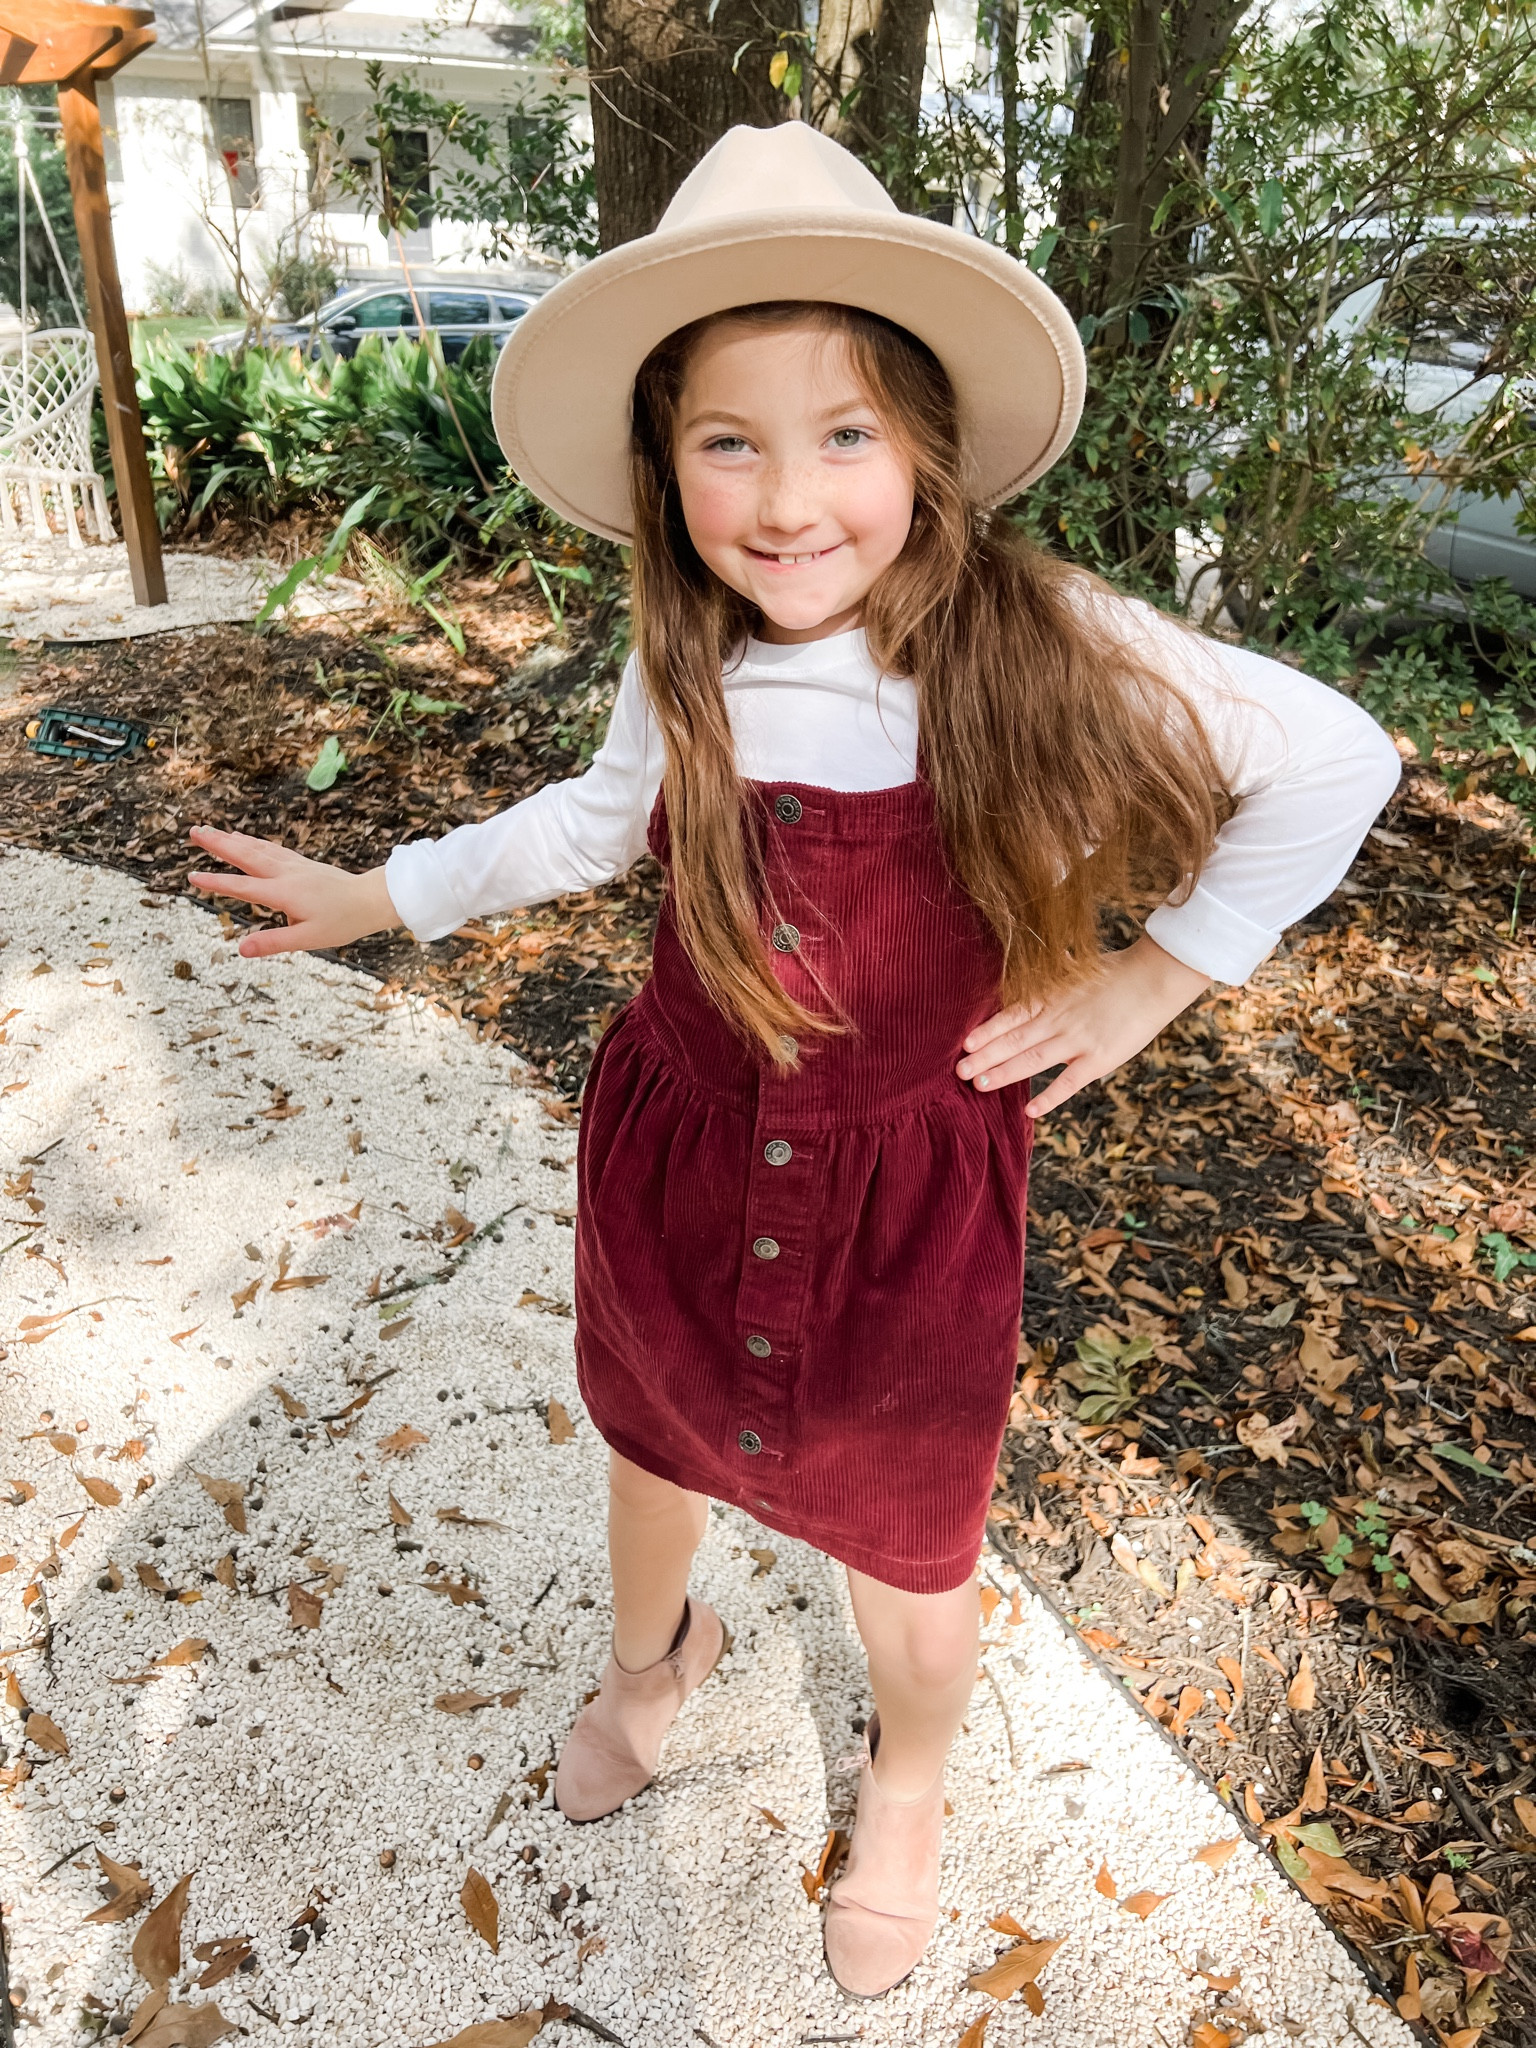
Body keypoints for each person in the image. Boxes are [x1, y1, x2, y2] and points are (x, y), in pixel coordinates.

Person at [185, 123, 1400, 2000]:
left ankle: (905, 1781)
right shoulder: (681, 654)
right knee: (653, 1437)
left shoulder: (1040, 638)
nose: (788, 497)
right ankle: (651, 1659)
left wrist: (1155, 978)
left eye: (844, 434)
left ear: (923, 445)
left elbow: (1334, 759)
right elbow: (589, 825)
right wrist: (382, 895)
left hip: (910, 1183)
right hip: (683, 1134)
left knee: (910, 1544)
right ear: (665, 475)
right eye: (727, 442)